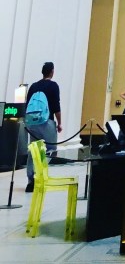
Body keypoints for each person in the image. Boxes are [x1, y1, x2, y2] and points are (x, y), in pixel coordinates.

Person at [25, 61, 62, 193]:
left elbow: (27, 104)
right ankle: (40, 176)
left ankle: (31, 180)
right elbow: (56, 106)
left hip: (32, 123)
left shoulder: (34, 86)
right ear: (52, 72)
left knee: (33, 150)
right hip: (47, 122)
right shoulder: (53, 86)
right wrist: (60, 123)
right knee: (50, 149)